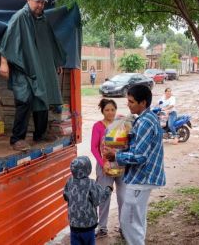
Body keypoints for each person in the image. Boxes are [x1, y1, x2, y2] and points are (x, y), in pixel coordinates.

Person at [0, 0, 66, 151]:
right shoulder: (20, 17)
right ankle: (17, 139)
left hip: (40, 67)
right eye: (38, 2)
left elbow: (49, 42)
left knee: (43, 98)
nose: (41, 6)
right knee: (25, 99)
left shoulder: (43, 19)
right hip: (23, 67)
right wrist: (3, 62)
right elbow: (7, 40)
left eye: (43, 3)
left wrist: (55, 61)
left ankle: (40, 134)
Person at [103, 85, 166, 245]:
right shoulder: (147, 118)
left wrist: (116, 155)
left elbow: (140, 156)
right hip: (141, 177)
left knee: (129, 223)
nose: (128, 104)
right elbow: (139, 147)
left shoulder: (144, 122)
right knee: (136, 221)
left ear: (143, 102)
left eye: (131, 101)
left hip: (141, 178)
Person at [90, 99, 124, 238]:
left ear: (116, 110)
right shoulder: (97, 126)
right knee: (104, 197)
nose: (110, 112)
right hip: (104, 166)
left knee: (123, 197)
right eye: (107, 110)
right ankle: (102, 228)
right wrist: (102, 163)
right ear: (102, 111)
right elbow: (93, 148)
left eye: (112, 109)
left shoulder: (121, 123)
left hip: (121, 164)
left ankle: (124, 226)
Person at [63, 156, 113, 245]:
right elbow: (99, 199)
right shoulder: (91, 183)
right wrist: (108, 190)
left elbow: (66, 196)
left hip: (74, 225)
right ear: (88, 169)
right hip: (88, 226)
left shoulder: (69, 181)